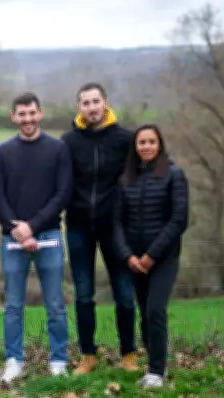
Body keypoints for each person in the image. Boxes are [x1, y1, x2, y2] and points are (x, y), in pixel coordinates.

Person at [0, 92, 73, 384]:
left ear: (40, 113)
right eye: (21, 114)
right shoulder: (2, 152)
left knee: (55, 304)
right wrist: (16, 228)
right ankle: (14, 361)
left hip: (49, 236)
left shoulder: (58, 149)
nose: (27, 119)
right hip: (12, 238)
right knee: (13, 305)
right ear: (13, 116)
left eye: (31, 113)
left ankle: (59, 360)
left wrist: (32, 227)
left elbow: (62, 194)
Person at [60, 82, 138, 375]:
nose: (91, 107)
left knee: (124, 294)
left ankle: (129, 354)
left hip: (115, 228)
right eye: (85, 103)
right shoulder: (68, 141)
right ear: (79, 107)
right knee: (83, 294)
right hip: (79, 226)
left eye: (96, 101)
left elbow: (138, 179)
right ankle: (88, 355)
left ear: (106, 102)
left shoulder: (125, 139)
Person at [113, 123, 189, 390]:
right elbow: (116, 223)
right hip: (135, 261)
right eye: (141, 142)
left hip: (163, 259)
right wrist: (128, 256)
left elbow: (179, 219)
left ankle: (158, 371)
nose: (146, 147)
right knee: (144, 313)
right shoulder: (125, 179)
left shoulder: (174, 175)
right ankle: (151, 366)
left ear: (159, 145)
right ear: (135, 147)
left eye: (151, 142)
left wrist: (152, 255)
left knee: (156, 310)